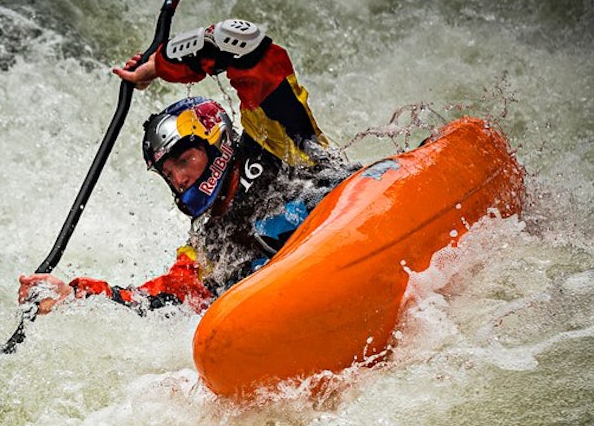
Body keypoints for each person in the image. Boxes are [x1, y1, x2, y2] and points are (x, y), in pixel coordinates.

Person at [19, 18, 358, 316]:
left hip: (352, 234)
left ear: (215, 142)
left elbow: (240, 41)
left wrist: (157, 66)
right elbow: (164, 299)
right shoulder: (207, 242)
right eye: (168, 173)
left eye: (184, 160)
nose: (179, 178)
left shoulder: (274, 142)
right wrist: (75, 295)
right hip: (305, 300)